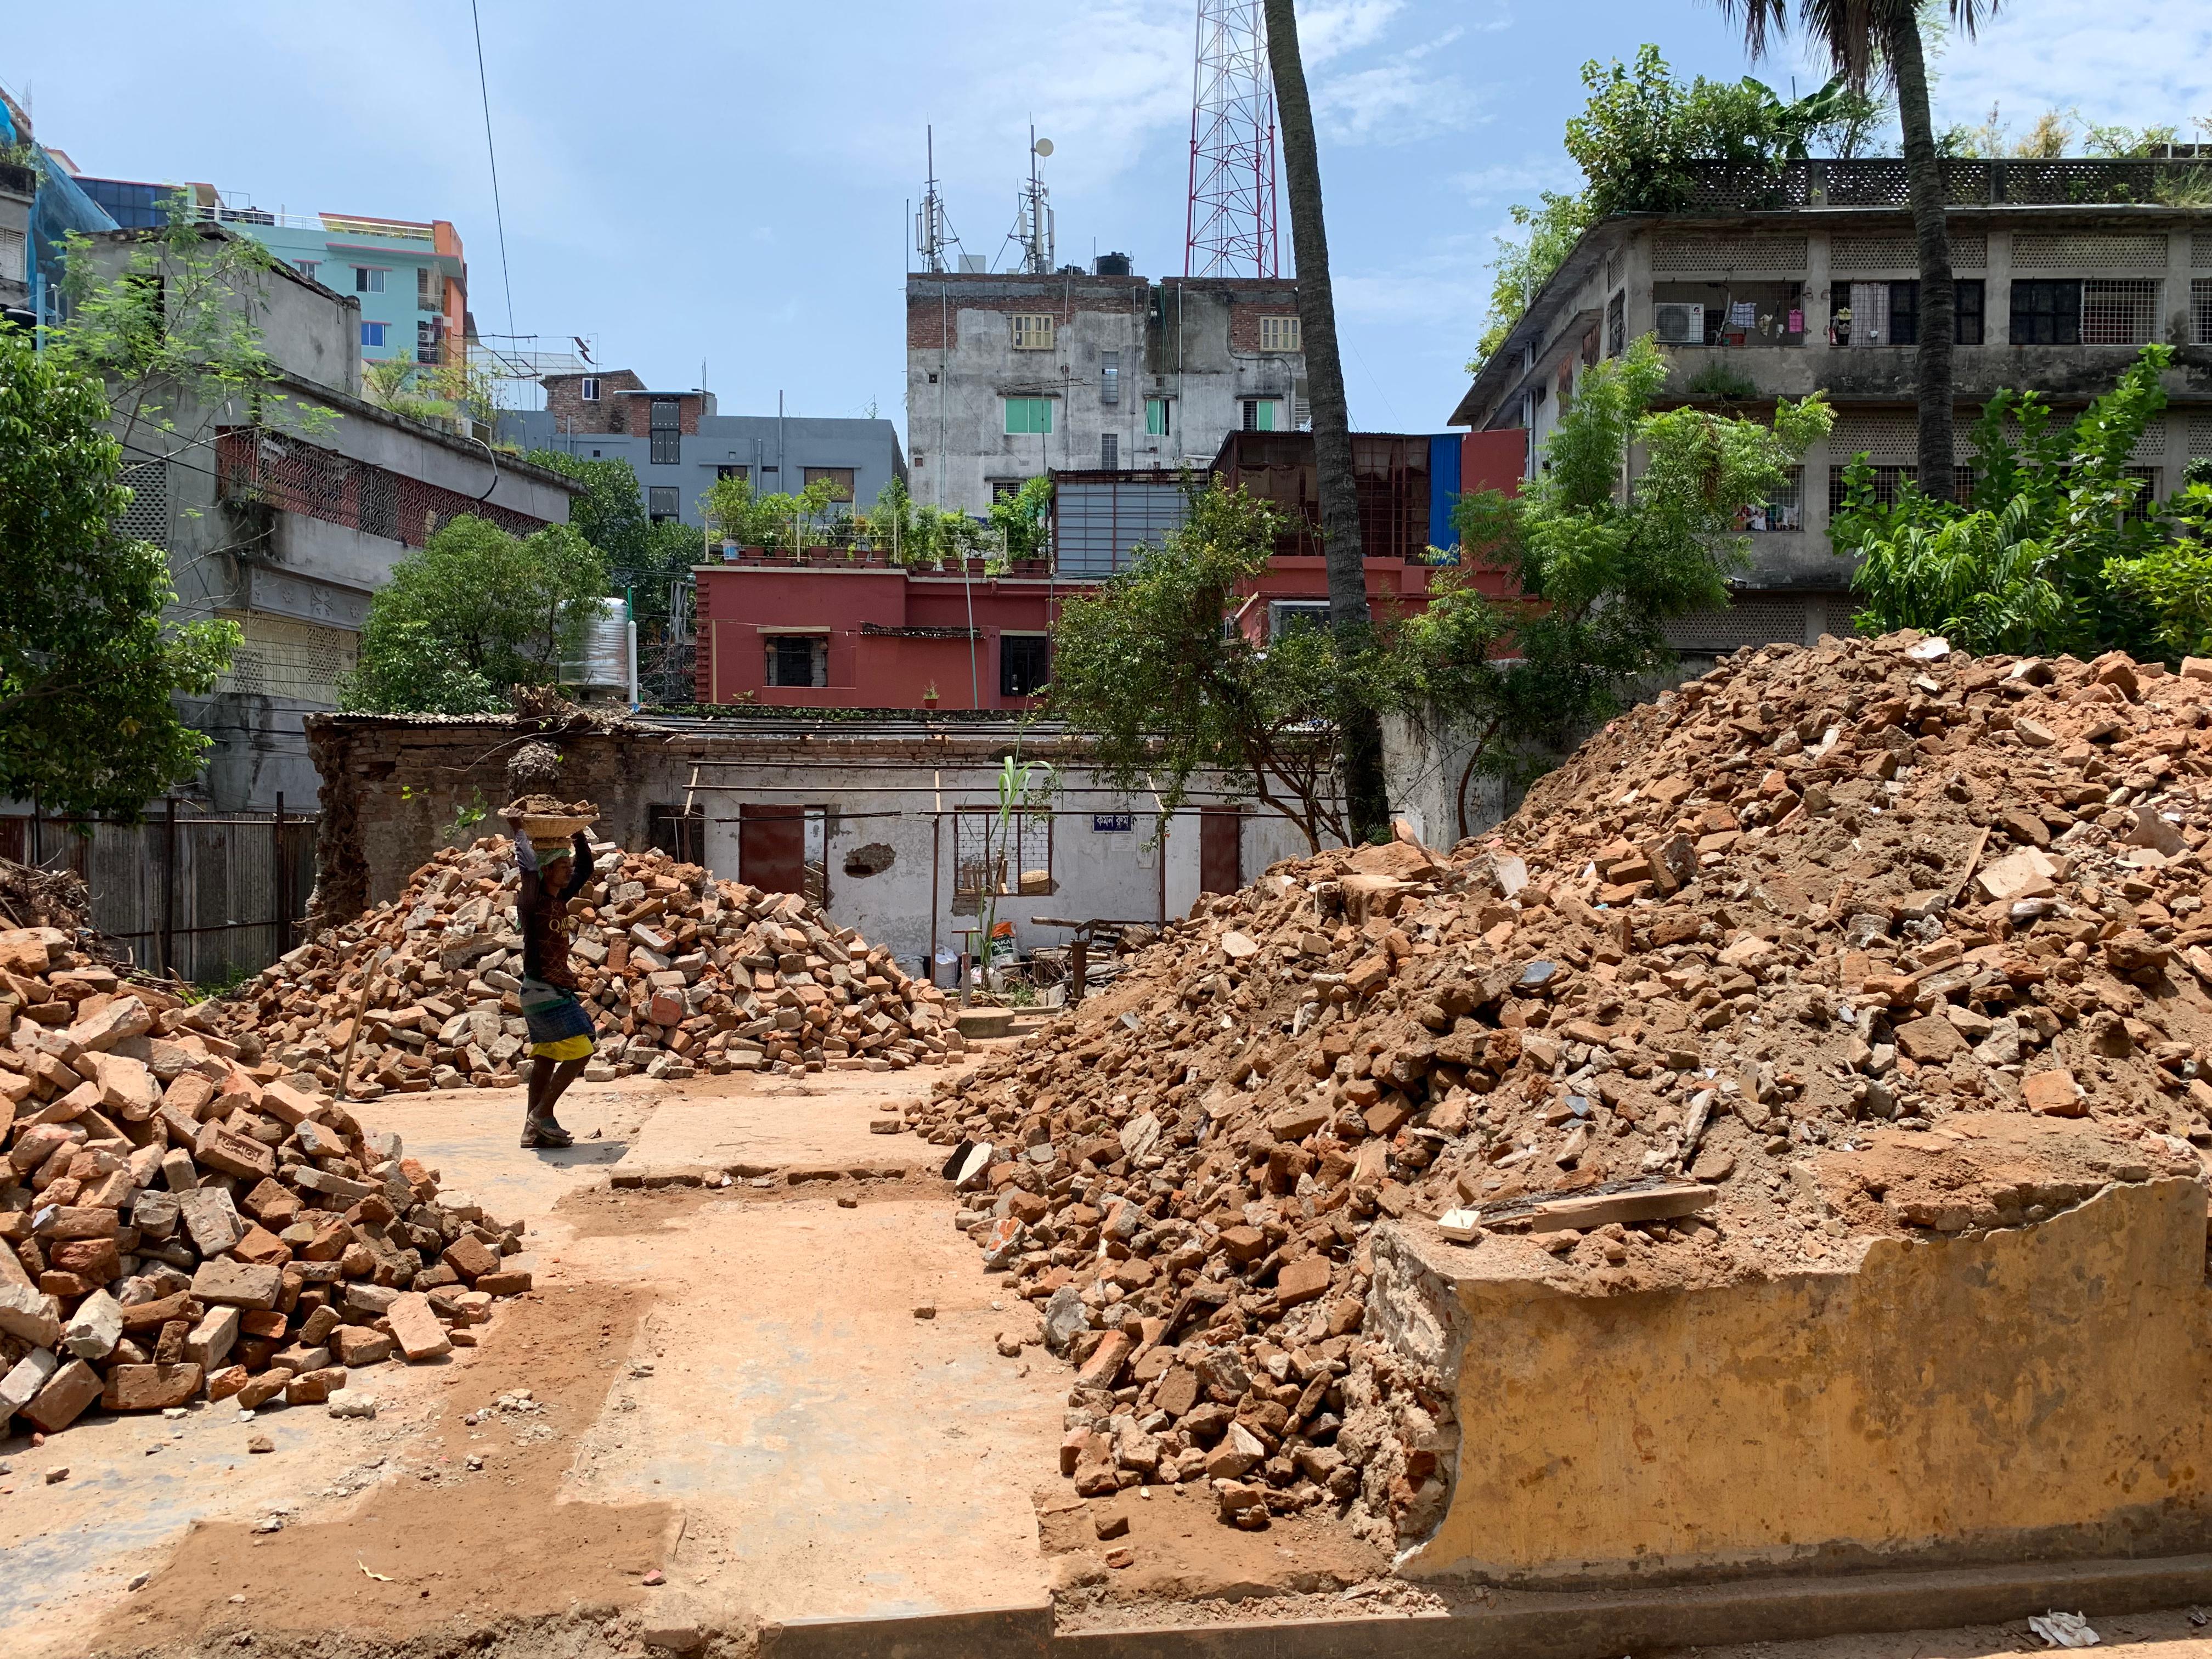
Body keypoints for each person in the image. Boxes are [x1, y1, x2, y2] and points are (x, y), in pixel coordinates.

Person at [510, 820, 596, 1148]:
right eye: (562, 867)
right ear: (547, 871)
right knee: (582, 1050)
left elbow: (586, 869)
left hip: (545, 990)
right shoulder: (532, 904)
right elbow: (529, 870)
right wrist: (519, 831)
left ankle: (531, 1132)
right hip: (543, 990)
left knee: (546, 1058)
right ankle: (542, 1114)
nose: (568, 871)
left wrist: (579, 833)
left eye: (567, 866)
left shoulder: (561, 897)